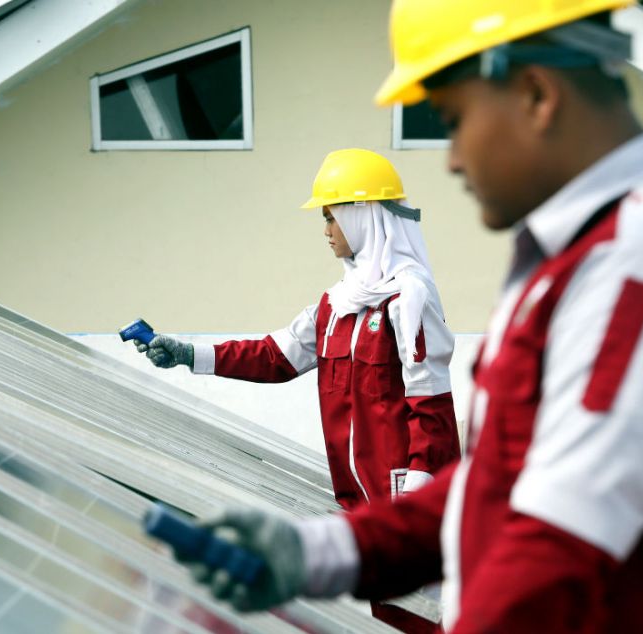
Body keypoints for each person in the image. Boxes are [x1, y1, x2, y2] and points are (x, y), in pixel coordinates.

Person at [166, 1, 643, 632]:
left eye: (454, 120)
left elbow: (554, 547)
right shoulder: (571, 265)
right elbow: (494, 485)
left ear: (536, 95)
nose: (453, 160)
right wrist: (316, 553)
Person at [135, 148, 461, 510]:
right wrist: (189, 354)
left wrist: (416, 499)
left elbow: (432, 407)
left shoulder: (409, 298)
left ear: (360, 216)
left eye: (330, 217)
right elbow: (275, 357)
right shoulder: (336, 305)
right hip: (358, 509)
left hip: (412, 509)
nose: (325, 231)